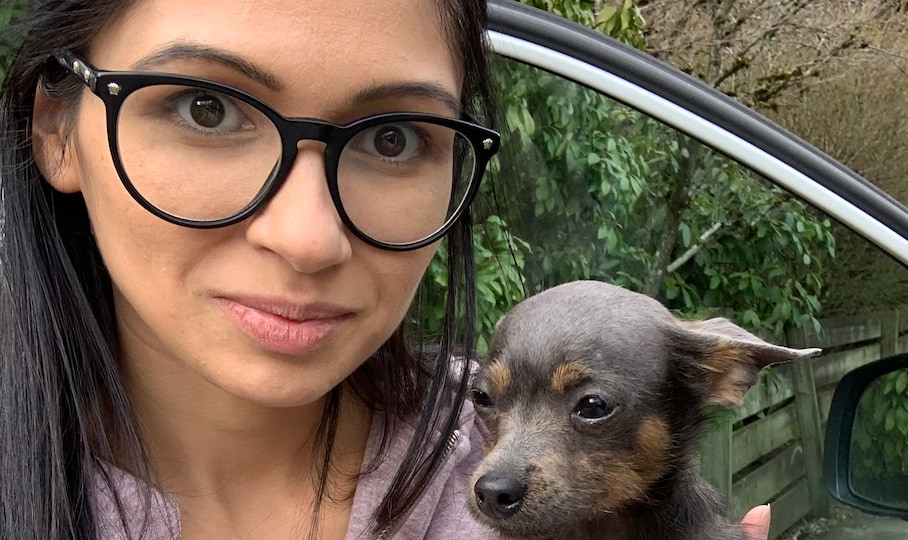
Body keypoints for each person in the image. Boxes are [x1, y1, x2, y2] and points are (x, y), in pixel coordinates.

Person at [0, 0, 774, 538]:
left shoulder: (499, 457)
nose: (308, 238)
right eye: (208, 108)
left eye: (396, 137)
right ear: (56, 130)